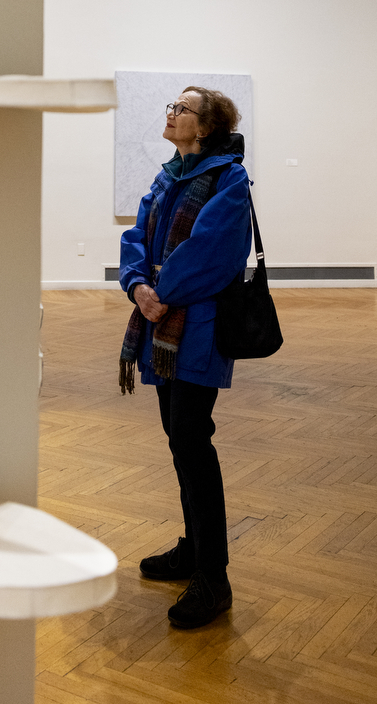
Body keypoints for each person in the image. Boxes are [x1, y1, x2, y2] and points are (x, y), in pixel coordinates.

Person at [118, 86, 251, 629]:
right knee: (180, 438)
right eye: (171, 107)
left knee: (193, 442)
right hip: (163, 327)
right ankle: (193, 549)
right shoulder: (168, 175)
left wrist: (159, 291)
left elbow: (212, 253)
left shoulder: (229, 179)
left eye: (182, 109)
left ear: (208, 125)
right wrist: (136, 285)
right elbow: (137, 237)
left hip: (196, 330)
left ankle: (213, 577)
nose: (171, 114)